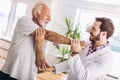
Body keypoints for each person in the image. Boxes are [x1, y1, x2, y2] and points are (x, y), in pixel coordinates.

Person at [0, 2, 84, 80]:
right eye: (47, 15)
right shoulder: (24, 21)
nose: (50, 19)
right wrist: (75, 43)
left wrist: (39, 46)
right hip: (9, 75)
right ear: (36, 14)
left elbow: (40, 64)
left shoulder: (43, 38)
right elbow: (48, 34)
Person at [44, 17, 115, 80]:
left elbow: (84, 77)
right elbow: (72, 63)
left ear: (103, 34)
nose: (90, 31)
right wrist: (54, 68)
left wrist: (75, 53)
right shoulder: (88, 44)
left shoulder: (107, 59)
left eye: (94, 29)